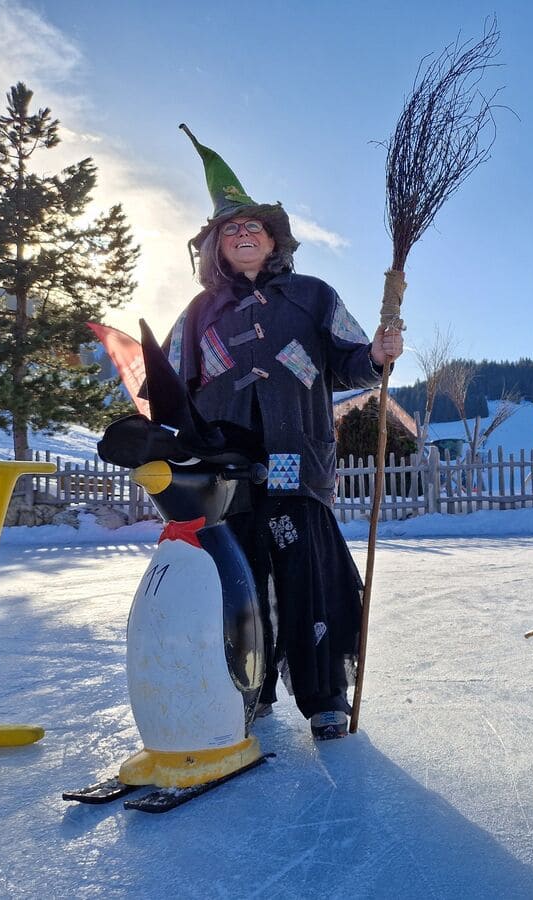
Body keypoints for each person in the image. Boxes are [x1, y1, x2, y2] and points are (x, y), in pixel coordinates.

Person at [166, 125, 403, 740]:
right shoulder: (196, 314)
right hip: (225, 470)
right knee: (238, 578)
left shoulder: (312, 297)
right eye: (231, 230)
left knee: (305, 574)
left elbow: (352, 359)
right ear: (215, 247)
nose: (245, 236)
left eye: (255, 228)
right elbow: (170, 385)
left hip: (299, 458)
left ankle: (324, 694)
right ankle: (250, 690)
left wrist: (378, 351)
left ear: (274, 241)